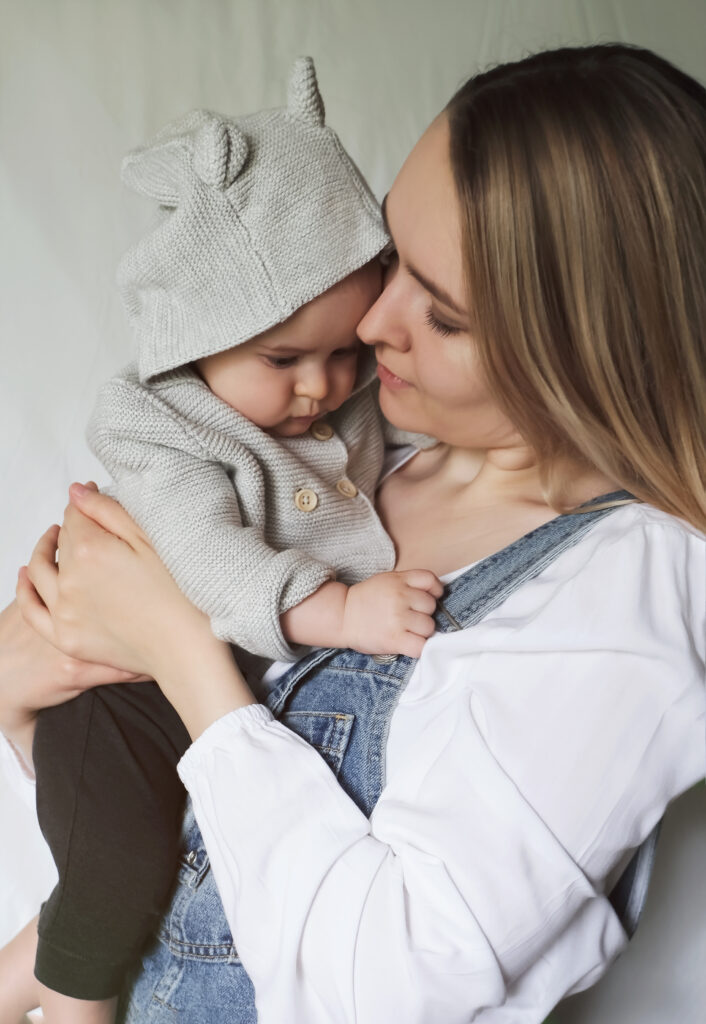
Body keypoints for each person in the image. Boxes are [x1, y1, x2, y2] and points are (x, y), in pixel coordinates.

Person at [1, 40, 704, 1024]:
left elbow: (384, 990)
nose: (371, 325)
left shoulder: (626, 592)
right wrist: (31, 698)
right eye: (387, 262)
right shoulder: (360, 459)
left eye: (444, 314)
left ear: (584, 343)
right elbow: (196, 830)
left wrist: (176, 647)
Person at [0, 57, 441, 1024]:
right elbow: (206, 558)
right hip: (113, 704)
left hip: (199, 698)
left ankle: (27, 966)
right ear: (198, 335)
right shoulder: (165, 429)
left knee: (158, 864)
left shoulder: (344, 401)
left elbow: (413, 437)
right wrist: (340, 608)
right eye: (282, 359)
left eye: (343, 352)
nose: (320, 388)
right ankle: (68, 1006)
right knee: (119, 865)